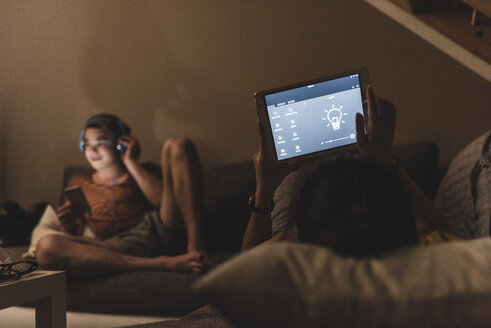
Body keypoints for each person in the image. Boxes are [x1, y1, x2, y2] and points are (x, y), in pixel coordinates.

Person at [242, 85, 460, 254]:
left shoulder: (298, 256)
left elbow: (248, 269)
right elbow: (455, 243)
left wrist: (264, 192)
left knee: (294, 179)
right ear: (395, 205)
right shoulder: (424, 247)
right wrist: (388, 163)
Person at [35, 114, 212, 276]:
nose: (92, 150)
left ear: (120, 144)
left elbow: (164, 203)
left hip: (157, 230)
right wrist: (69, 224)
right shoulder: (78, 181)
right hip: (113, 246)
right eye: (87, 144)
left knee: (178, 145)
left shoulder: (144, 171)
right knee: (46, 247)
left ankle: (196, 250)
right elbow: (75, 235)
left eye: (101, 142)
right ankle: (160, 264)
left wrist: (130, 162)